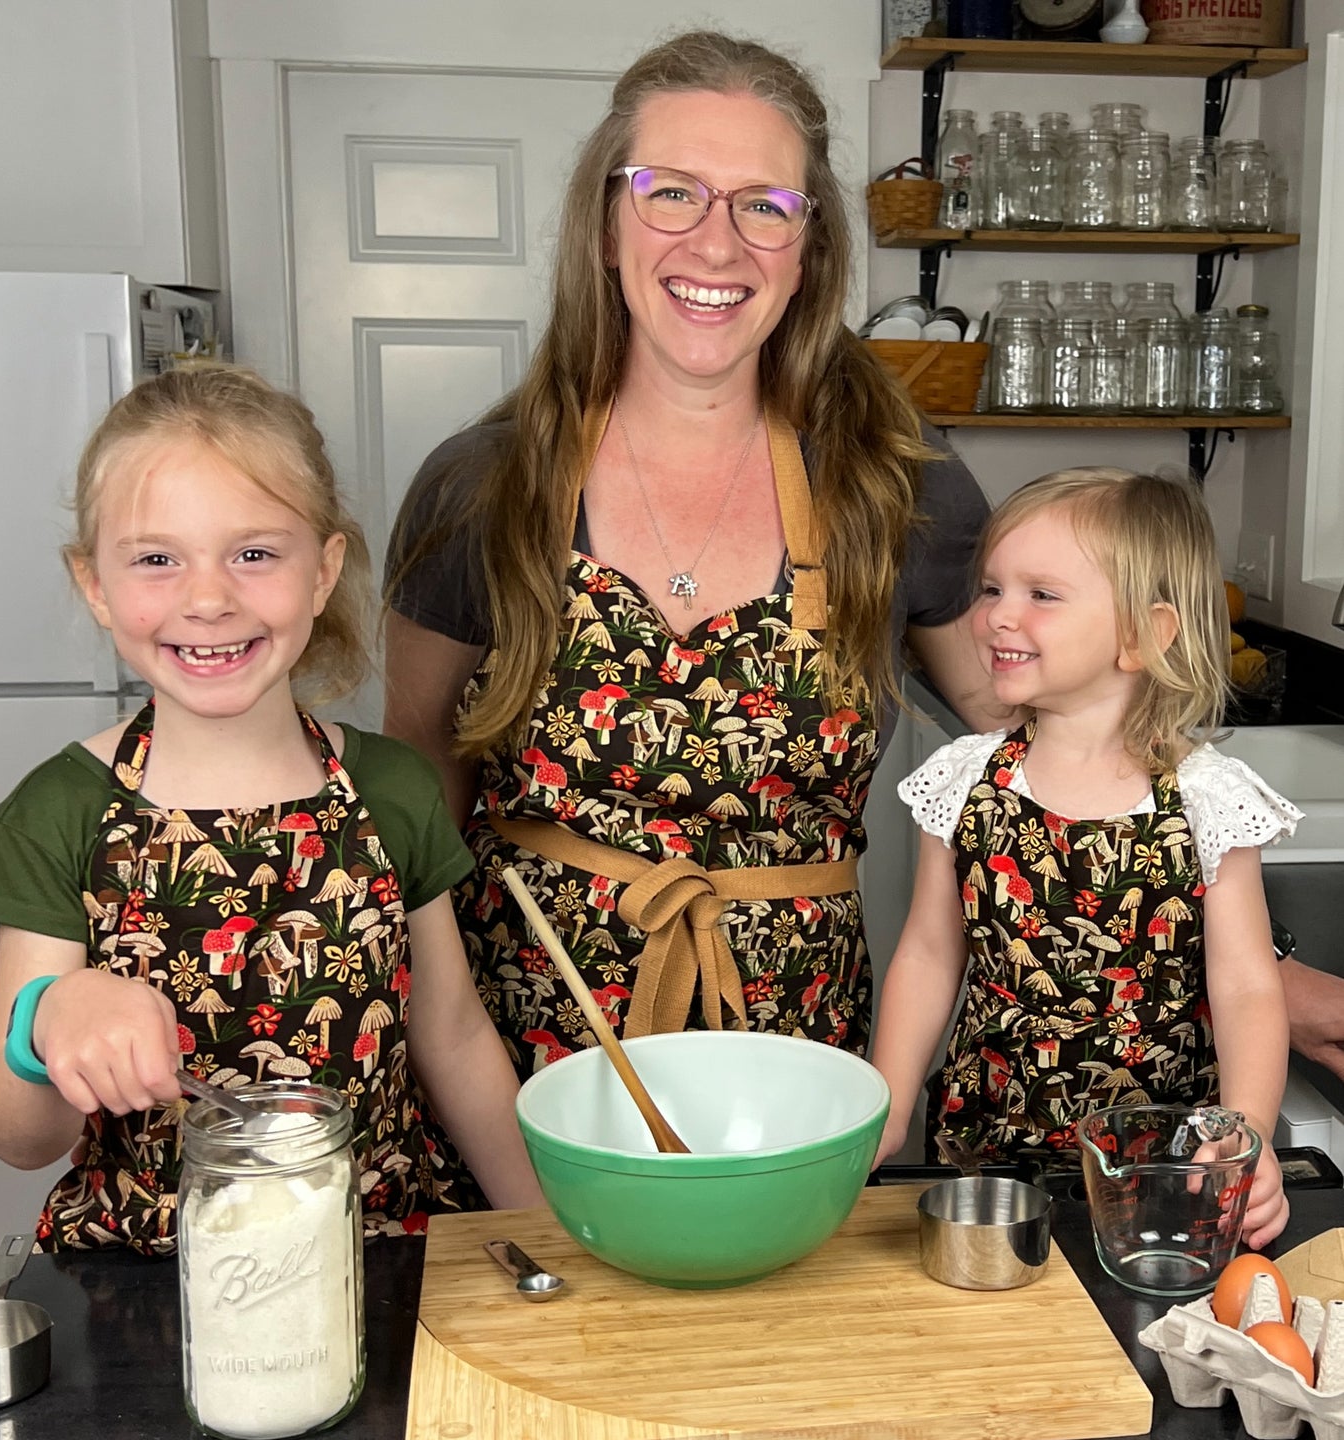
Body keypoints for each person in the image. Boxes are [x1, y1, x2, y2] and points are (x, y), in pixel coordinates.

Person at [383, 31, 1001, 1076]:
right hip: (518, 1081)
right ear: (604, 226)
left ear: (806, 252)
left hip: (792, 1081)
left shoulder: (901, 489)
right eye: (672, 192)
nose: (717, 245)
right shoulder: (479, 490)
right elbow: (412, 803)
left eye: (763, 206)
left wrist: (1244, 957)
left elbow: (1049, 760)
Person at [0, 365, 541, 1253]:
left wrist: (547, 1233)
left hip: (377, 1259)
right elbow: (15, 1138)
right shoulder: (58, 811)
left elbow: (453, 1040)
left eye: (254, 552)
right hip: (149, 1283)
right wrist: (46, 1018)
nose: (207, 597)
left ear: (323, 568)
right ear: (95, 584)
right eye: (156, 558)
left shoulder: (390, 790)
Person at [871, 468, 1299, 1249]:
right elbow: (930, 953)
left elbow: (1242, 983)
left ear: (1142, 633)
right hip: (982, 1154)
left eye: (1040, 594)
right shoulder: (964, 777)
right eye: (991, 587)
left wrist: (1250, 1132)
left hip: (1165, 1174)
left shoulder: (1205, 797)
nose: (996, 614)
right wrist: (889, 1102)